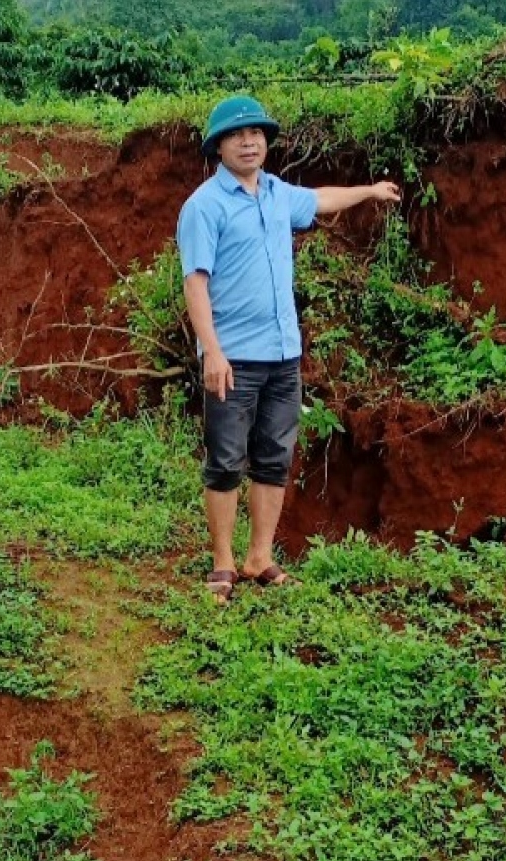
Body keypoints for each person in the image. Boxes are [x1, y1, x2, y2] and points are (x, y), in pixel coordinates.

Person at [176, 95, 400, 601]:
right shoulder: (204, 207)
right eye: (237, 135)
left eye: (256, 133)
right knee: (226, 460)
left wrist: (370, 191)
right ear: (218, 147)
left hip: (282, 355)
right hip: (233, 356)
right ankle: (223, 562)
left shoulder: (277, 194)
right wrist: (212, 351)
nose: (249, 142)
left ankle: (259, 557)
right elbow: (195, 283)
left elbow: (320, 198)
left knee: (274, 457)